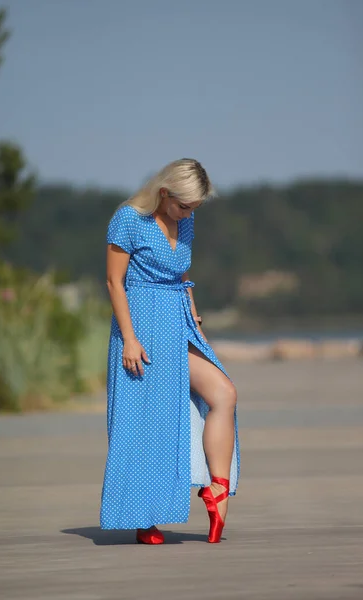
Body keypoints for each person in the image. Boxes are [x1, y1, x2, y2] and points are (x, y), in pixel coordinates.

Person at [100, 158, 240, 544]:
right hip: (140, 327)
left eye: (194, 207)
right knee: (145, 423)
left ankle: (217, 490)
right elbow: (114, 282)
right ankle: (147, 521)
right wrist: (129, 337)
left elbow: (182, 277)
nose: (188, 213)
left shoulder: (186, 222)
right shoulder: (128, 219)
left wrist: (196, 324)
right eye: (184, 206)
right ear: (164, 193)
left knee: (224, 393)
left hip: (177, 323)